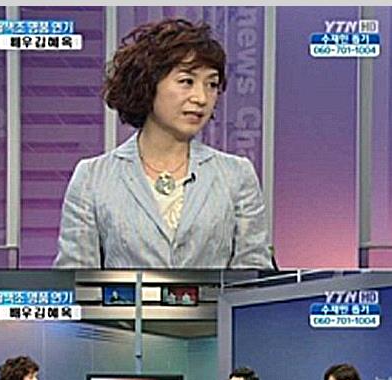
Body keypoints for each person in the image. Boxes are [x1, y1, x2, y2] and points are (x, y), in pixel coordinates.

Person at [54, 18, 273, 269]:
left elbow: (253, 271)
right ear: (147, 85)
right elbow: (76, 277)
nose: (202, 98)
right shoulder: (92, 178)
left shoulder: (236, 175)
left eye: (211, 84)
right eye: (187, 81)